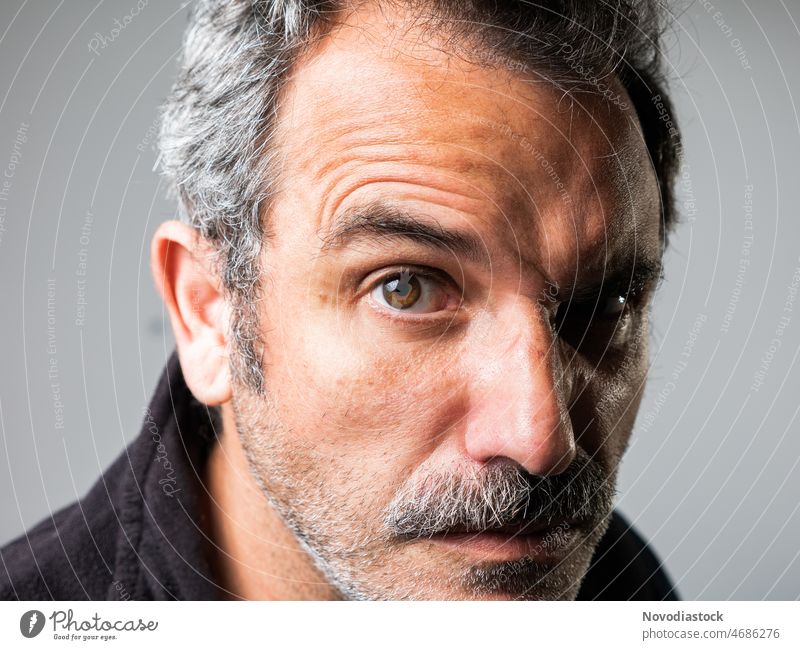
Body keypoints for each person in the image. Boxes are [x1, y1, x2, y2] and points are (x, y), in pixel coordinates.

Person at [1, 0, 682, 600]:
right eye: (405, 288)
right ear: (208, 310)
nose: (540, 442)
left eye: (607, 300)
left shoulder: (616, 584)